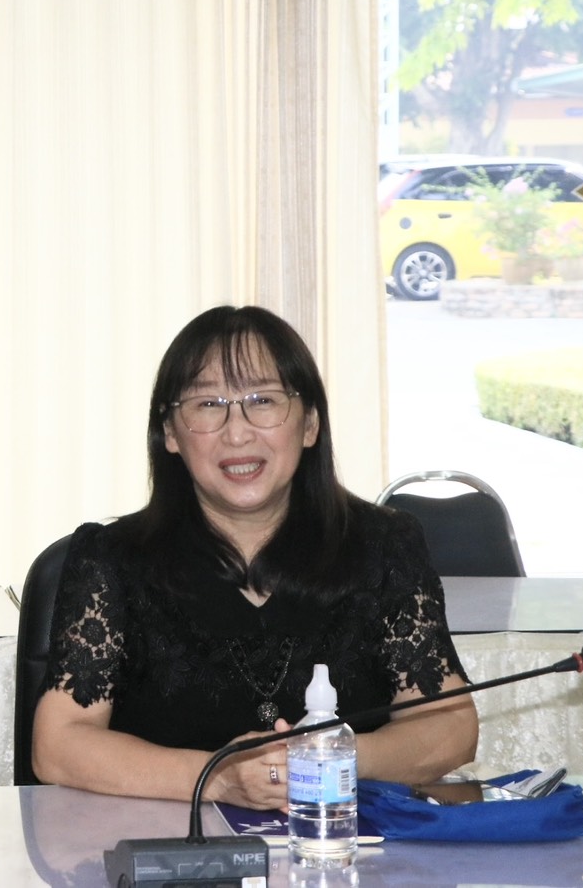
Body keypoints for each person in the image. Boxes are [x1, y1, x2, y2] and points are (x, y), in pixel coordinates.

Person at [31, 305, 477, 808]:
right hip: (170, 844)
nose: (237, 432)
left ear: (309, 424)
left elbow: (449, 726)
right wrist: (219, 778)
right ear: (171, 433)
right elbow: (59, 745)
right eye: (208, 404)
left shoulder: (384, 546)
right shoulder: (111, 560)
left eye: (262, 400)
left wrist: (326, 758)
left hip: (343, 839)